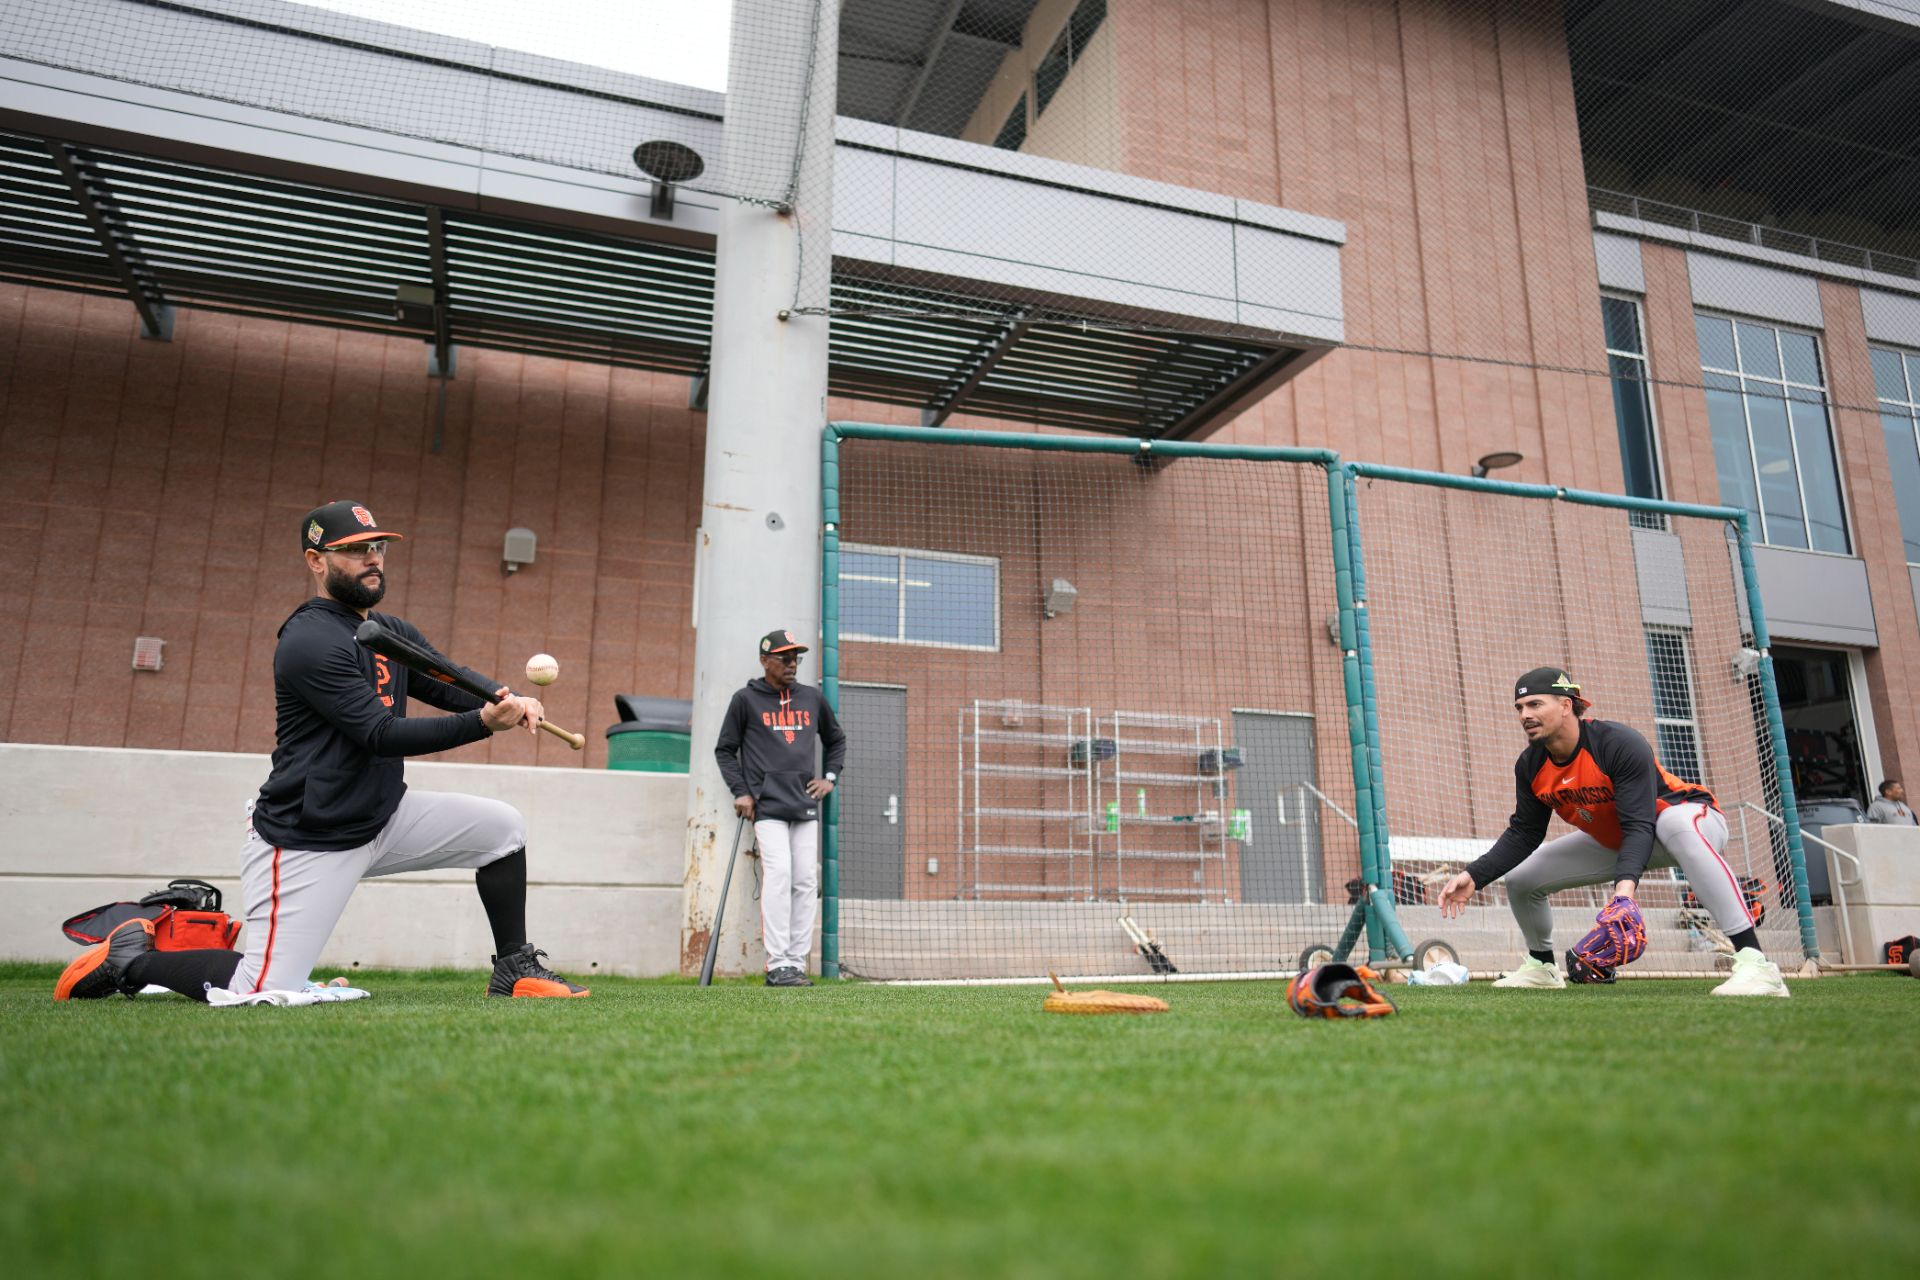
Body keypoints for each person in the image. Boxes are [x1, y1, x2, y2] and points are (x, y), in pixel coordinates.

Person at [55, 501, 588, 1003]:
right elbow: (379, 733)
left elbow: (446, 679)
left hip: (381, 817)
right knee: (258, 987)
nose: (372, 558)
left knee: (501, 829)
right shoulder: (308, 641)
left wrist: (504, 698)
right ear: (316, 560)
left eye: (378, 547)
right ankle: (133, 958)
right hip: (309, 836)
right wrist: (483, 723)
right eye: (356, 550)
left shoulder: (387, 631)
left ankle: (515, 968)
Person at [1437, 667, 1789, 997]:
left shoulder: (1617, 743)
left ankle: (1756, 963)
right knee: (1522, 879)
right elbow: (1525, 833)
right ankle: (1542, 968)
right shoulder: (1530, 764)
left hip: (1689, 821)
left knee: (1673, 823)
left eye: (1534, 703)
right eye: (1519, 707)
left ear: (1565, 705)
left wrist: (1624, 893)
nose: (1524, 714)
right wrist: (1475, 875)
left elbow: (1639, 822)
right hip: (1622, 840)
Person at [713, 628, 848, 987]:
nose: (792, 664)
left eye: (796, 658)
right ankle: (778, 965)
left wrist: (830, 777)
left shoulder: (812, 699)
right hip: (767, 805)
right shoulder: (746, 699)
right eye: (784, 658)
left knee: (805, 880)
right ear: (765, 661)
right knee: (780, 876)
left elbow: (835, 740)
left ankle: (796, 963)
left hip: (804, 802)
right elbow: (725, 750)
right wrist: (741, 791)